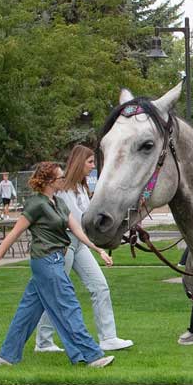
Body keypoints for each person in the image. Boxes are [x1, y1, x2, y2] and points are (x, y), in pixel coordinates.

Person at [0, 162, 116, 369]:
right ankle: (92, 356)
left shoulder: (59, 203)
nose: (64, 180)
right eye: (60, 178)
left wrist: (98, 250)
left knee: (28, 311)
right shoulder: (36, 204)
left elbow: (77, 231)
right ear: (49, 181)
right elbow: (14, 234)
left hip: (56, 260)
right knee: (68, 306)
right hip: (45, 261)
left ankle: (6, 357)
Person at [32, 145, 133, 353]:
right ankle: (43, 341)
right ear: (79, 163)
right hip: (65, 244)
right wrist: (98, 246)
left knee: (100, 286)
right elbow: (78, 221)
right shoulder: (64, 189)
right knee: (56, 292)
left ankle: (108, 338)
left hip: (80, 244)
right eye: (90, 162)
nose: (93, 166)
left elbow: (87, 217)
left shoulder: (81, 188)